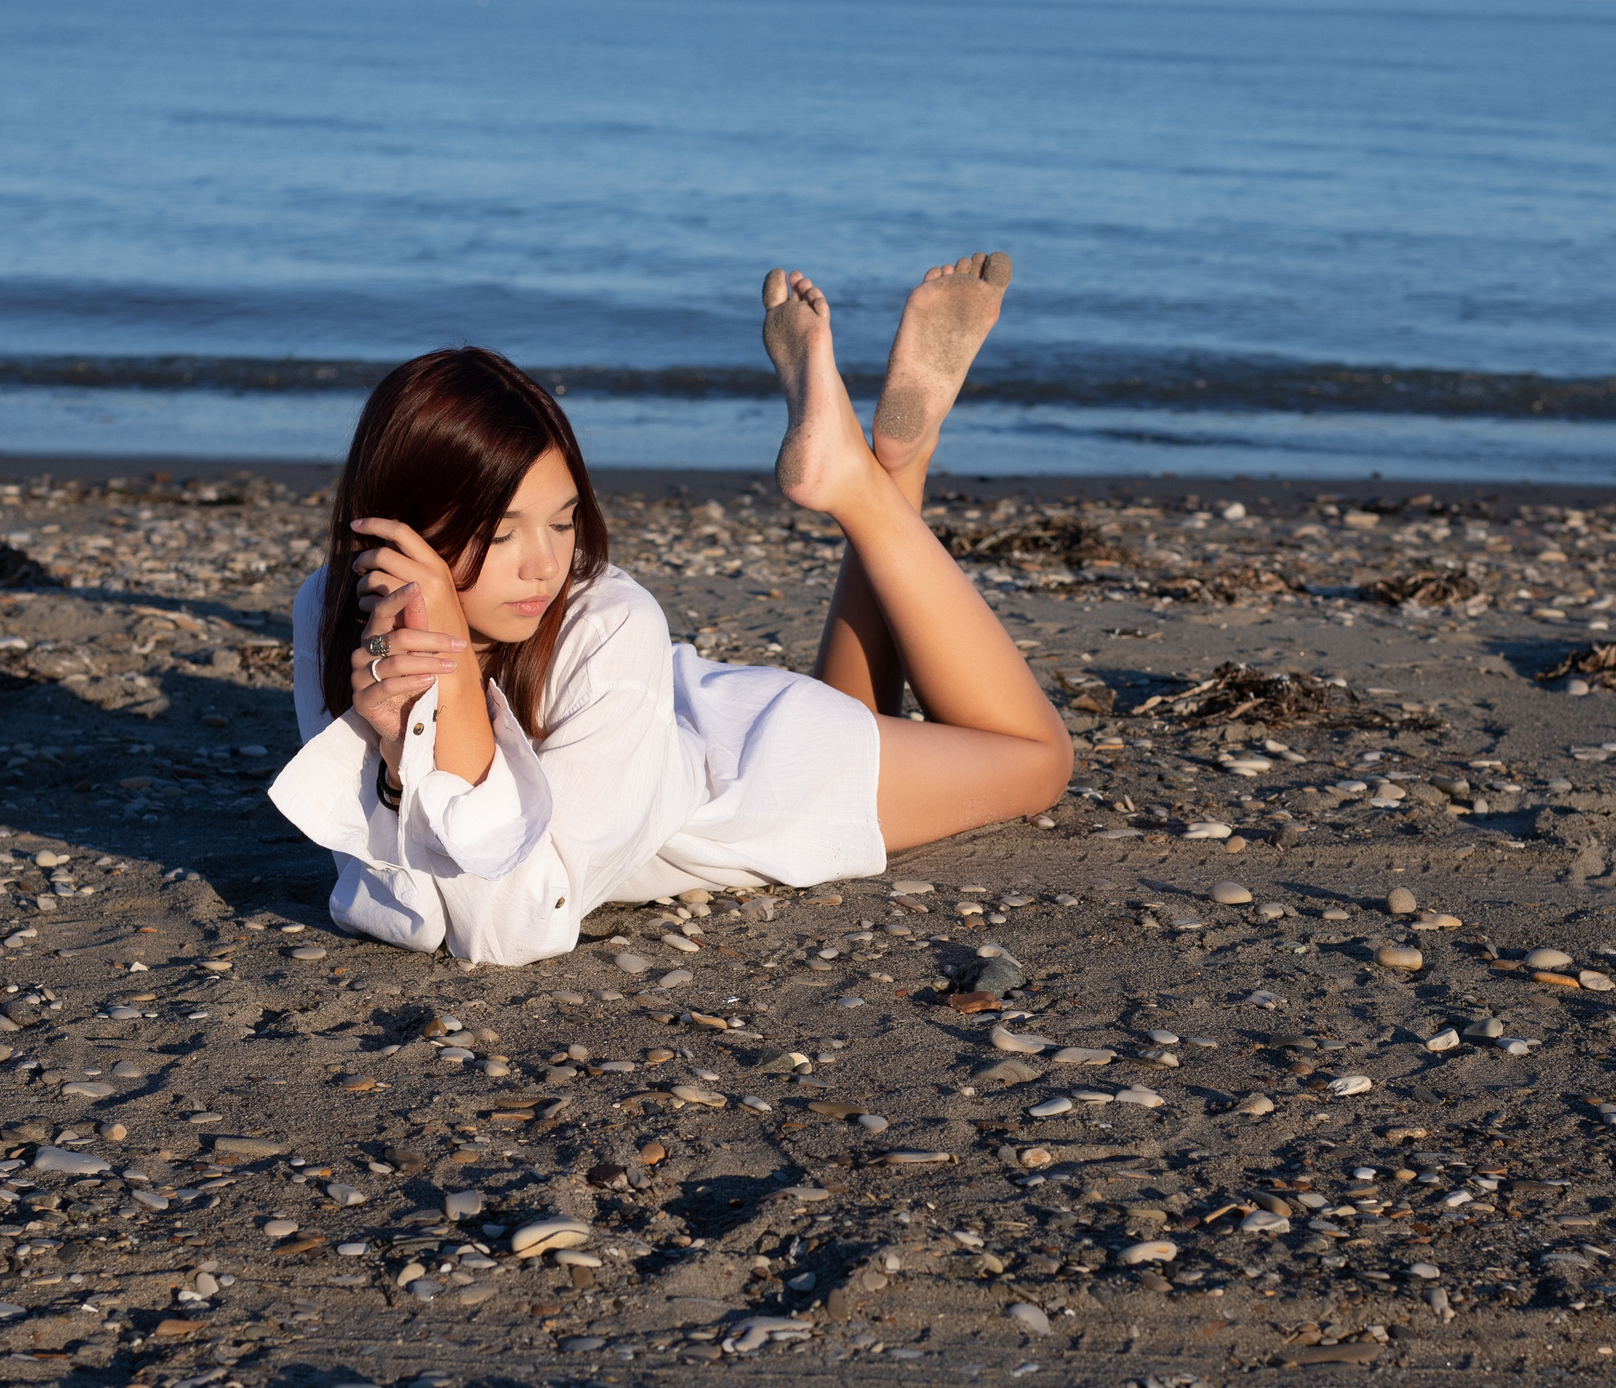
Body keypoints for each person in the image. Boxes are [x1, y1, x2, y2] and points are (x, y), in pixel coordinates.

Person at [269, 253, 1072, 965]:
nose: (545, 564)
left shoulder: (613, 620)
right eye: (503, 531)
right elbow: (402, 909)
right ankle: (893, 463)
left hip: (763, 777)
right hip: (703, 727)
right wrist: (400, 746)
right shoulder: (333, 606)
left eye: (561, 520)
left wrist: (441, 691)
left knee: (1038, 760)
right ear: (400, 526)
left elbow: (514, 928)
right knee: (864, 710)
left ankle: (863, 485)